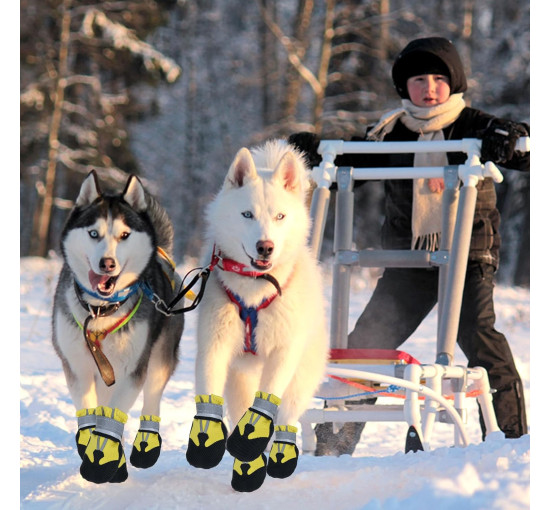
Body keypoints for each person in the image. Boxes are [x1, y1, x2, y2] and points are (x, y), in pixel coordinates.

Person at [289, 36, 529, 456]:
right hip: (409, 260)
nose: (430, 88)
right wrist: (317, 149)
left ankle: (512, 439)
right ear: (405, 87)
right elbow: (354, 162)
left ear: (454, 83)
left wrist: (511, 138)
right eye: (420, 79)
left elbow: (524, 151)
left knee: (478, 336)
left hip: (466, 257)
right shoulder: (391, 131)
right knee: (366, 343)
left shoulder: (474, 124)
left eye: (439, 78)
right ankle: (333, 443)